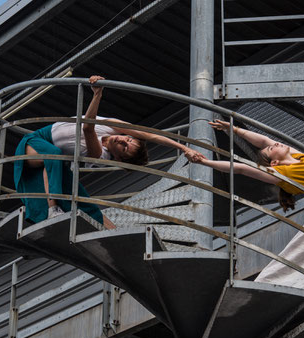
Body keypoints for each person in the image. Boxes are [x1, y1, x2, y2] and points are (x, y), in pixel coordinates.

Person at [185, 119, 304, 324]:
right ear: (274, 163)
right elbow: (239, 168)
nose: (275, 144)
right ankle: (268, 285)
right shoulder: (281, 173)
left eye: (275, 144)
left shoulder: (301, 156)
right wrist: (205, 163)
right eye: (270, 149)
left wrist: (235, 130)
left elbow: (265, 139)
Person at [14, 75, 195, 228]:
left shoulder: (99, 155)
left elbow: (87, 128)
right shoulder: (114, 128)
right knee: (56, 157)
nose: (124, 140)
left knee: (80, 197)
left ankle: (58, 211)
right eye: (129, 140)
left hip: (49, 154)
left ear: (117, 158)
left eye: (124, 148)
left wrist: (97, 95)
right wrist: (183, 147)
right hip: (34, 142)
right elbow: (150, 135)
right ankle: (58, 209)